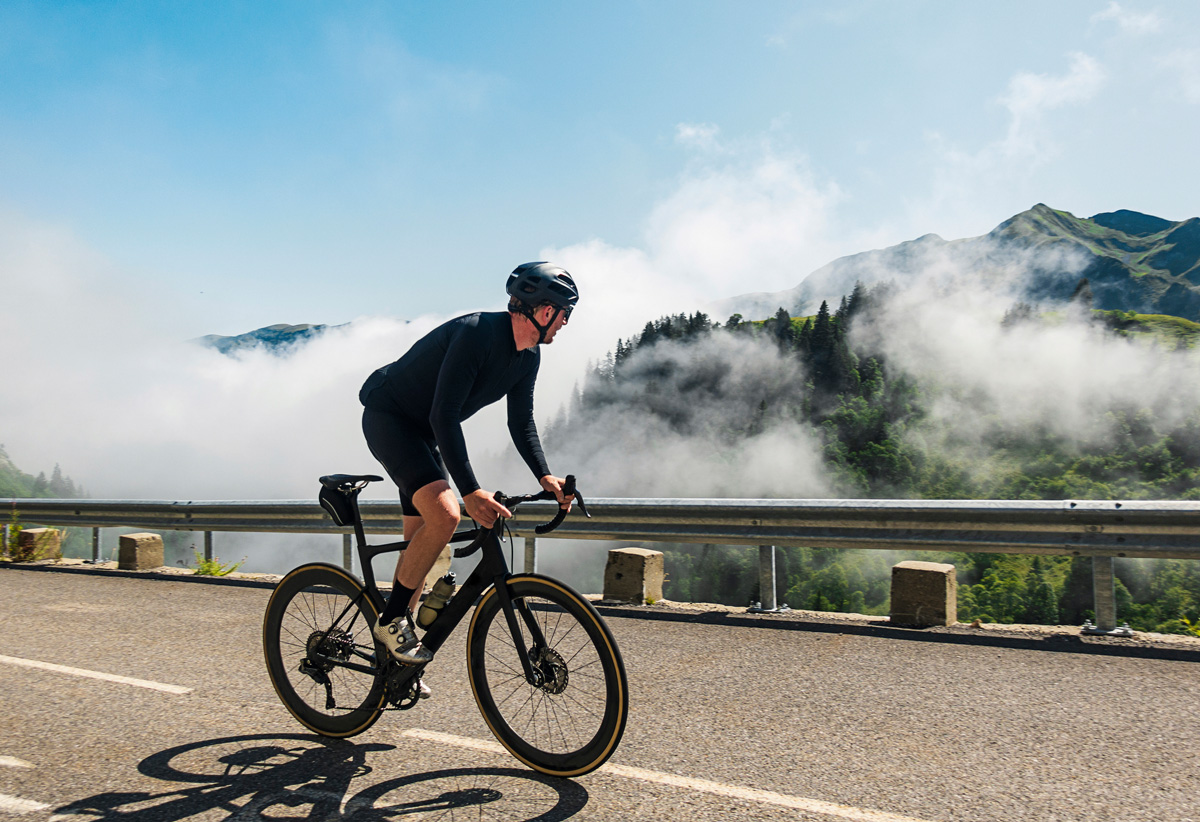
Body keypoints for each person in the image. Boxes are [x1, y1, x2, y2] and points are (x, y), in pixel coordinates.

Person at [359, 261, 579, 687]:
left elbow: (522, 423)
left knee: (419, 553)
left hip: (424, 435)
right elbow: (444, 414)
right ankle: (389, 623)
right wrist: (471, 491)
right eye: (564, 312)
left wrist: (544, 476)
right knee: (446, 515)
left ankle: (391, 667)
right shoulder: (477, 333)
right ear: (543, 309)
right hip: (391, 420)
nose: (566, 322)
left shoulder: (527, 357)